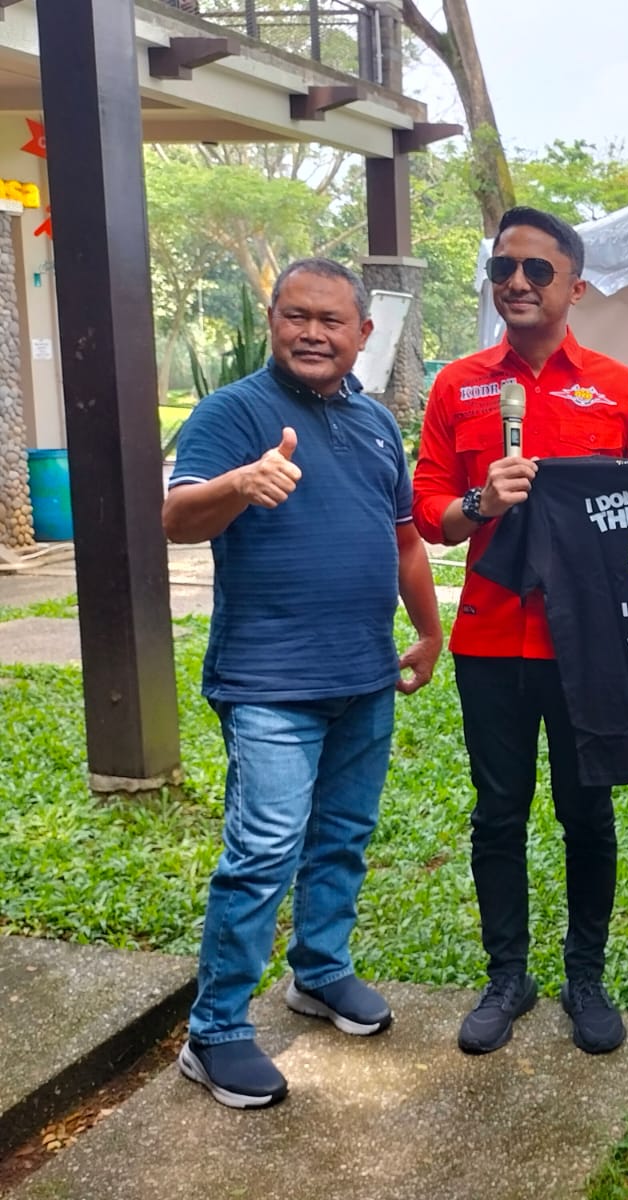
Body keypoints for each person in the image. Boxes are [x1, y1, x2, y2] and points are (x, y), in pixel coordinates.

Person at [164, 257, 443, 1109]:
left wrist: (430, 630)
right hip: (269, 685)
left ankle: (319, 972)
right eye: (295, 316)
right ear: (273, 320)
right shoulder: (234, 412)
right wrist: (241, 486)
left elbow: (403, 542)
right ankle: (214, 1034)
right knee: (262, 853)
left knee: (343, 838)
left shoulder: (371, 427)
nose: (312, 333)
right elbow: (176, 518)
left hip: (363, 676)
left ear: (365, 334)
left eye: (331, 320)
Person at [412, 206, 628, 1058]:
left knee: (586, 813)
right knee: (499, 814)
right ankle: (508, 976)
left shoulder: (621, 388)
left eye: (537, 270)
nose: (518, 284)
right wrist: (480, 503)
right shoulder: (457, 385)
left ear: (575, 284)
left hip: (587, 646)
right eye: (503, 270)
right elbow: (428, 514)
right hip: (490, 644)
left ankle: (586, 976)